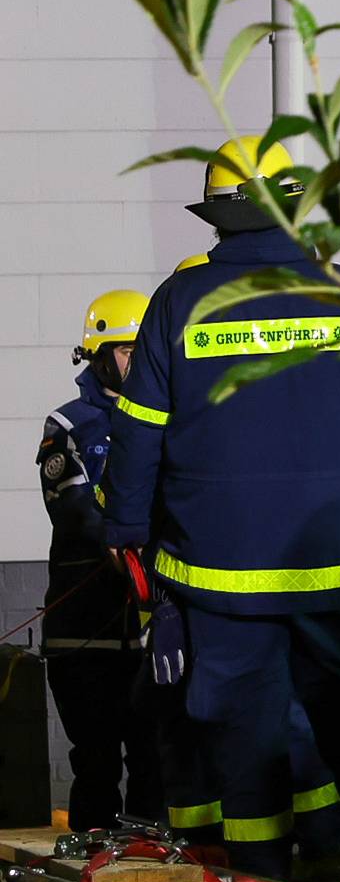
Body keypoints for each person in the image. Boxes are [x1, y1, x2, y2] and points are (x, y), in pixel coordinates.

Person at [103, 135, 340, 878]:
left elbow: (140, 428)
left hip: (218, 567)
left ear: (217, 217)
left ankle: (260, 872)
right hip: (333, 559)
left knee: (241, 720)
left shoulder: (178, 301)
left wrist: (125, 526)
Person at [37, 290, 164, 833]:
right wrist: (134, 536)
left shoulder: (164, 417)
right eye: (126, 351)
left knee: (154, 754)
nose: (137, 362)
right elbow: (73, 511)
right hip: (84, 630)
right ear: (97, 354)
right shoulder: (69, 426)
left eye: (144, 351)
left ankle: (151, 858)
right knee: (96, 759)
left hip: (152, 629)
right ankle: (95, 862)